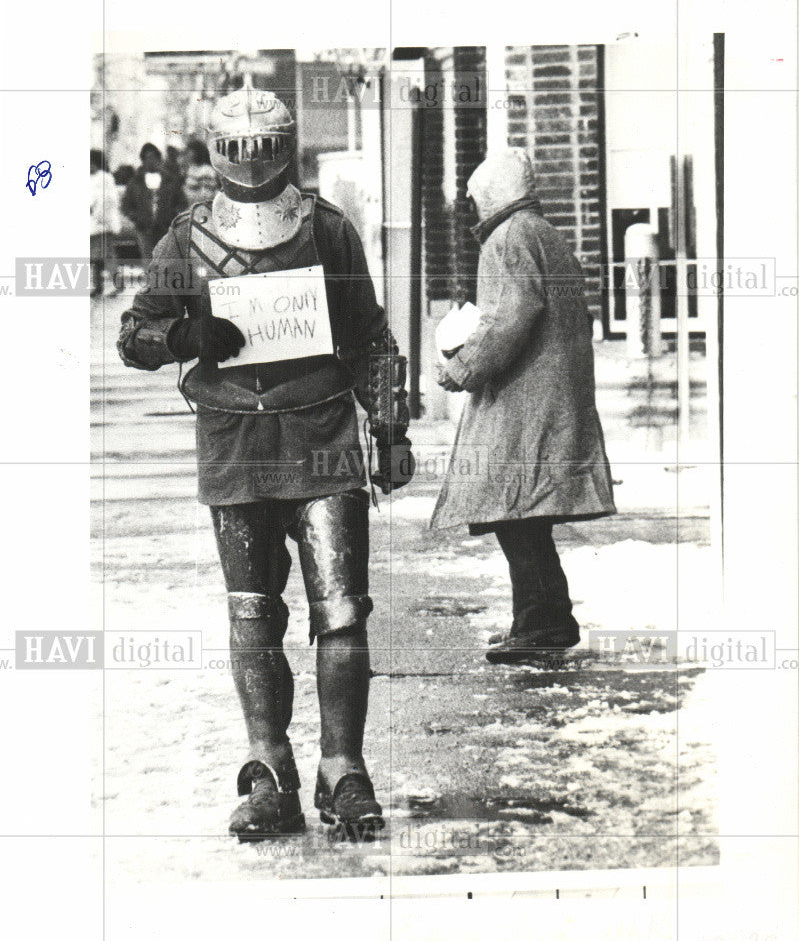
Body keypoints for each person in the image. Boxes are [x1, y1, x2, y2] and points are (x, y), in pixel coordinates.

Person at [117, 87, 414, 841]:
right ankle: (268, 765)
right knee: (252, 613)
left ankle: (342, 766)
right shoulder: (185, 240)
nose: (250, 162)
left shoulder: (326, 230)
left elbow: (369, 336)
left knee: (341, 614)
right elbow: (136, 335)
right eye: (237, 148)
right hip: (236, 443)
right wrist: (186, 334)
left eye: (261, 147)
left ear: (282, 148)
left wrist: (388, 425)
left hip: (320, 436)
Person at [431, 148, 616, 663]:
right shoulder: (543, 233)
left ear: (491, 195)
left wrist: (461, 367)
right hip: (550, 394)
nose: (471, 211)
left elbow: (507, 317)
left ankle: (542, 624)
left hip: (525, 399)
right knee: (525, 513)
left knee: (515, 510)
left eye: (472, 200)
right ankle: (542, 618)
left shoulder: (506, 238)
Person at [121, 143, 183, 260]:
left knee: (165, 260)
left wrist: (173, 216)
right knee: (148, 260)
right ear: (143, 161)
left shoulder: (170, 180)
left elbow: (181, 201)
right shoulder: (135, 181)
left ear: (159, 159)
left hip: (166, 228)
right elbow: (126, 205)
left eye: (154, 158)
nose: (151, 161)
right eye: (147, 158)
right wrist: (136, 217)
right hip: (144, 229)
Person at [89, 149, 121, 297]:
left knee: (107, 256)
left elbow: (107, 201)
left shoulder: (105, 178)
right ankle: (98, 286)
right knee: (95, 257)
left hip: (102, 223)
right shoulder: (92, 178)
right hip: (94, 224)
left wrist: (98, 216)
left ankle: (117, 283)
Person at [180, 141, 219, 208]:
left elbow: (208, 192)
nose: (188, 155)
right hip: (190, 205)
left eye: (190, 152)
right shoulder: (190, 168)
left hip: (202, 206)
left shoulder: (207, 170)